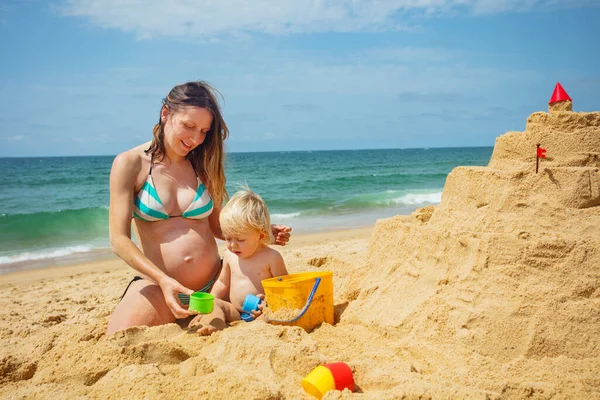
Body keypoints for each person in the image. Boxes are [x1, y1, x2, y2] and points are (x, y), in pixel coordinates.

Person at [106, 81, 291, 335]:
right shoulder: (130, 164)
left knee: (263, 306)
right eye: (189, 126)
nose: (195, 138)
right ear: (165, 114)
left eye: (204, 131)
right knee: (119, 338)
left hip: (217, 283)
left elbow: (217, 227)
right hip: (161, 286)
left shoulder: (202, 165)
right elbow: (118, 239)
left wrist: (259, 232)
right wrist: (163, 279)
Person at [190, 186, 288, 335]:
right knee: (214, 304)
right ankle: (217, 328)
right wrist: (206, 307)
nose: (232, 245)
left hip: (261, 313)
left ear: (260, 236)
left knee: (271, 314)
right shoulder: (230, 256)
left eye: (240, 239)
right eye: (228, 238)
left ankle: (251, 332)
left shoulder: (271, 258)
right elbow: (222, 283)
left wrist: (269, 303)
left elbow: (285, 289)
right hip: (235, 312)